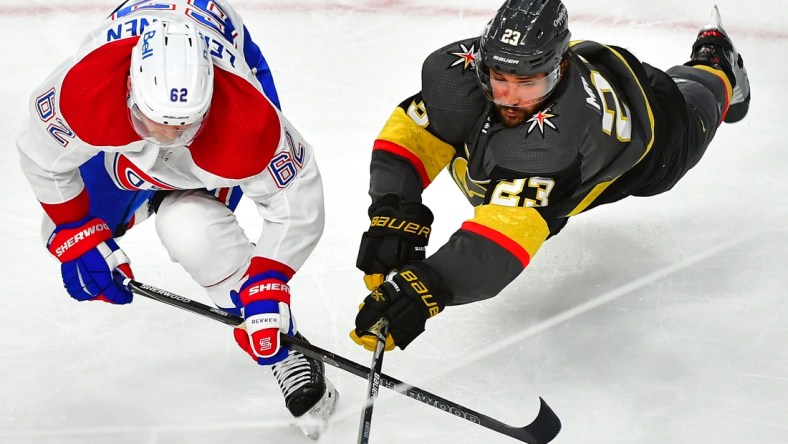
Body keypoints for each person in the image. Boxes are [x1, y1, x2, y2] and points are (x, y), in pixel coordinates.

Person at [350, 0, 751, 352]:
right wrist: (394, 207)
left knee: (702, 93)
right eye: (500, 78)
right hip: (591, 71)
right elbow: (413, 137)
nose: (509, 97)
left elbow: (498, 243)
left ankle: (716, 60)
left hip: (653, 136)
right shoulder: (458, 70)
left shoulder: (556, 145)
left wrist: (427, 287)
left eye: (528, 83)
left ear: (559, 69)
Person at [16, 0, 337, 438]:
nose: (168, 135)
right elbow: (42, 156)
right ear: (128, 86)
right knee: (59, 231)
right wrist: (76, 231)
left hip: (208, 140)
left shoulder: (244, 115)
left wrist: (267, 284)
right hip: (122, 150)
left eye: (183, 124)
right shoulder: (85, 86)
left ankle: (288, 352)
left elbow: (297, 203)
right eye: (155, 121)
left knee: (192, 231)